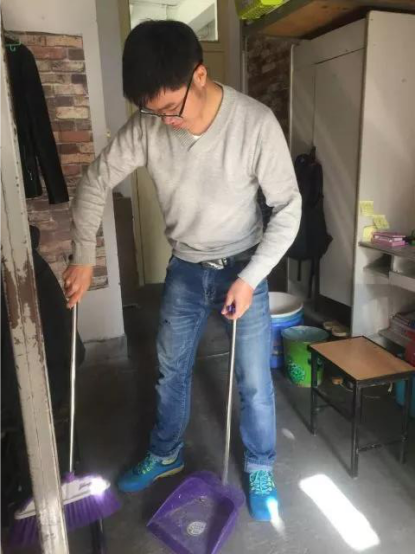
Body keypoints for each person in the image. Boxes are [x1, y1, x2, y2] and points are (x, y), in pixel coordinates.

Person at [64, 21, 301, 522]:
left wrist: (250, 278)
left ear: (200, 75)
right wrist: (83, 256)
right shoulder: (149, 124)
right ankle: (166, 451)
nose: (165, 121)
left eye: (172, 107)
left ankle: (260, 465)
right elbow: (94, 181)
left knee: (254, 379)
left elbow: (289, 208)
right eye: (153, 111)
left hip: (244, 264)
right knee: (170, 369)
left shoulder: (254, 124)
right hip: (187, 268)